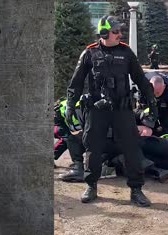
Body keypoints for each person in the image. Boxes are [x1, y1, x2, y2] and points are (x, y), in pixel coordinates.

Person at [65, 15, 158, 207]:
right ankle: (91, 186)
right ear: (104, 33)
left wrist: (152, 103)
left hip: (122, 109)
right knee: (93, 147)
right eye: (115, 31)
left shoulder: (126, 53)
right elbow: (75, 84)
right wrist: (69, 106)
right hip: (96, 110)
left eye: (120, 31)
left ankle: (136, 189)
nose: (119, 34)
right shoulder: (89, 54)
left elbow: (141, 79)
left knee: (131, 148)